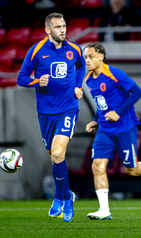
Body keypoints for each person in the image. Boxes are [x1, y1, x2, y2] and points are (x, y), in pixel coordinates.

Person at [84, 43, 141, 220]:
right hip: (105, 130)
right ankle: (104, 210)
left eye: (91, 56)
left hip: (124, 128)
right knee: (97, 165)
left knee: (132, 170)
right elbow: (102, 104)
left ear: (101, 56)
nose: (87, 60)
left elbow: (137, 93)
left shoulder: (115, 73)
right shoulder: (89, 80)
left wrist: (119, 112)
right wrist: (95, 120)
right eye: (85, 57)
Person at [17, 13, 85, 222]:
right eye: (57, 27)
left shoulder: (74, 49)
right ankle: (67, 196)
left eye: (64, 26)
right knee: (55, 156)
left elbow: (81, 67)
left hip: (68, 109)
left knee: (57, 152)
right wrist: (37, 81)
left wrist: (77, 86)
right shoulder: (36, 51)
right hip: (45, 112)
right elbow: (21, 77)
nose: (63, 30)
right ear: (47, 30)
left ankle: (58, 198)